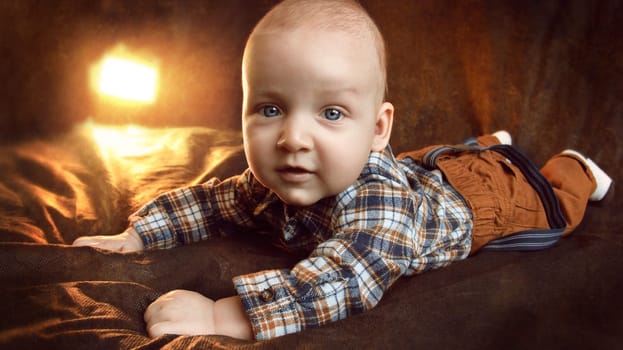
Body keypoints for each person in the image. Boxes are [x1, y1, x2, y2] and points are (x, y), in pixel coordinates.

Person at [73, 0, 613, 341]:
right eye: (270, 108)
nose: (292, 138)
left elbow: (346, 277)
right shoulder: (277, 177)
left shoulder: (381, 212)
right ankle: (480, 147)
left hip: (482, 205)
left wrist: (225, 317)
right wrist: (138, 233)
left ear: (378, 127)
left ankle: (569, 167)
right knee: (435, 161)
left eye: (331, 113)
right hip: (424, 170)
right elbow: (213, 201)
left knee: (548, 205)